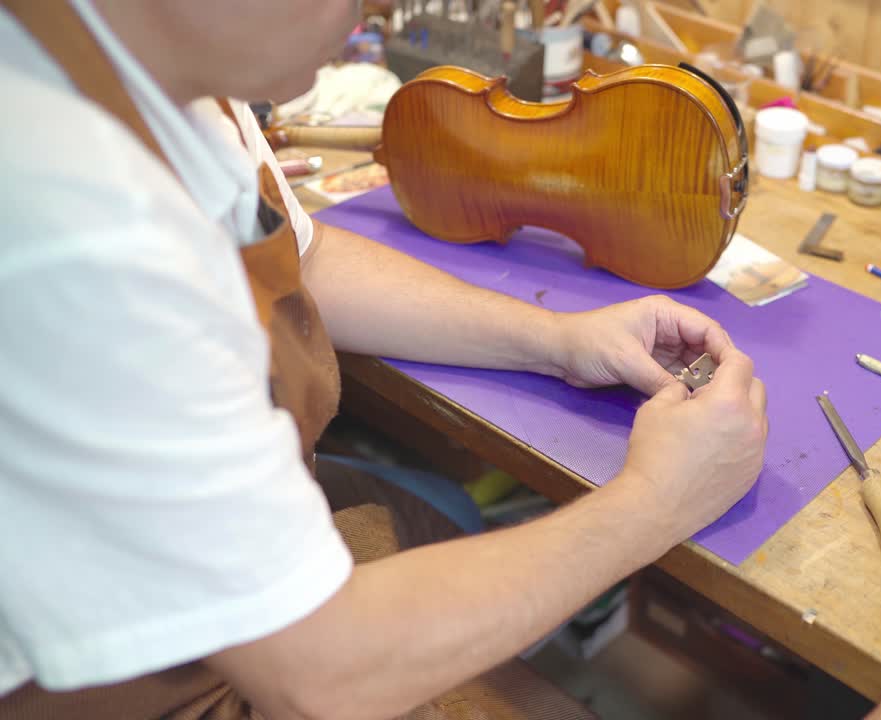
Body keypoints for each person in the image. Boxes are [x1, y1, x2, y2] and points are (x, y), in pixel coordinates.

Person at [0, 1, 768, 718]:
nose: (373, 8)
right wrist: (658, 501)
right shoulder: (72, 219)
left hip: (202, 605)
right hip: (128, 687)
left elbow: (307, 257)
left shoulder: (174, 73)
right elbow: (316, 669)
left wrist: (561, 340)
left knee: (443, 511)